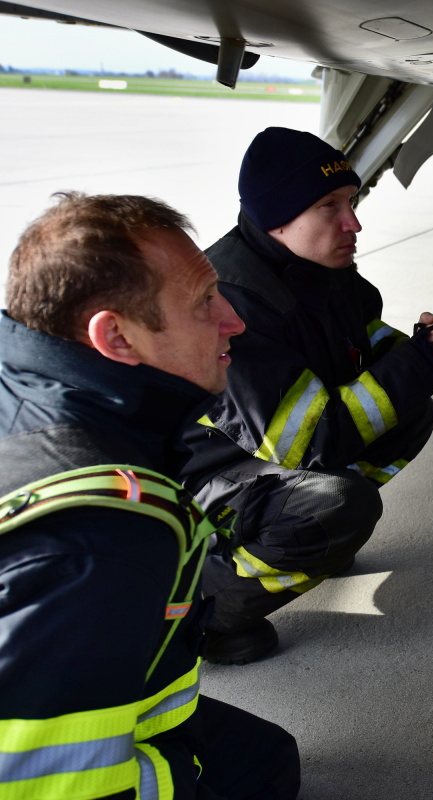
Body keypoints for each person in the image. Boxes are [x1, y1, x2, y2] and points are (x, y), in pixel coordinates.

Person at [0, 193, 300, 798]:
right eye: (203, 303)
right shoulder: (102, 542)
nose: (233, 320)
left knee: (266, 755)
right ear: (115, 336)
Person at [181, 127, 433, 665]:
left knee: (411, 412)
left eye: (352, 201)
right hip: (194, 488)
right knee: (340, 504)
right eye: (329, 207)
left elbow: (368, 348)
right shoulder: (230, 304)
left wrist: (432, 347)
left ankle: (306, 535)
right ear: (278, 216)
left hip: (254, 462)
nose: (354, 223)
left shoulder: (323, 273)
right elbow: (312, 436)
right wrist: (424, 363)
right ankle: (213, 609)